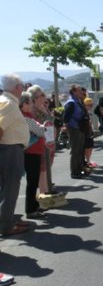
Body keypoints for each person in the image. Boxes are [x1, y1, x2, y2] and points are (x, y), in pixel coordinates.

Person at [0, 74, 30, 236]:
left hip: (9, 149)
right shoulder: (9, 104)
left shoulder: (7, 102)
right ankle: (6, 225)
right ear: (17, 87)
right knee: (11, 187)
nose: (23, 88)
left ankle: (8, 220)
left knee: (7, 188)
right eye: (22, 85)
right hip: (9, 150)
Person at [20, 92, 47, 219]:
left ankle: (34, 206)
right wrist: (42, 127)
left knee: (34, 181)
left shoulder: (27, 116)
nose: (32, 105)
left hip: (33, 152)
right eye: (30, 102)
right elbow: (40, 131)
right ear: (24, 104)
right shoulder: (25, 118)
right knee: (32, 182)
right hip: (31, 153)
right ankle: (31, 210)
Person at [64, 84, 88, 178]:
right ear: (73, 92)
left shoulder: (77, 101)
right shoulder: (71, 102)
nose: (81, 92)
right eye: (78, 90)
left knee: (80, 150)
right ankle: (74, 172)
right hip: (74, 128)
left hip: (79, 127)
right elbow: (66, 118)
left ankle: (80, 169)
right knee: (75, 150)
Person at [83, 97, 97, 168]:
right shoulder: (83, 113)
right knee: (87, 147)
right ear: (85, 105)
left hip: (89, 131)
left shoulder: (89, 112)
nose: (91, 106)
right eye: (89, 105)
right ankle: (87, 161)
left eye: (91, 105)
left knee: (90, 146)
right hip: (86, 132)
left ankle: (88, 160)